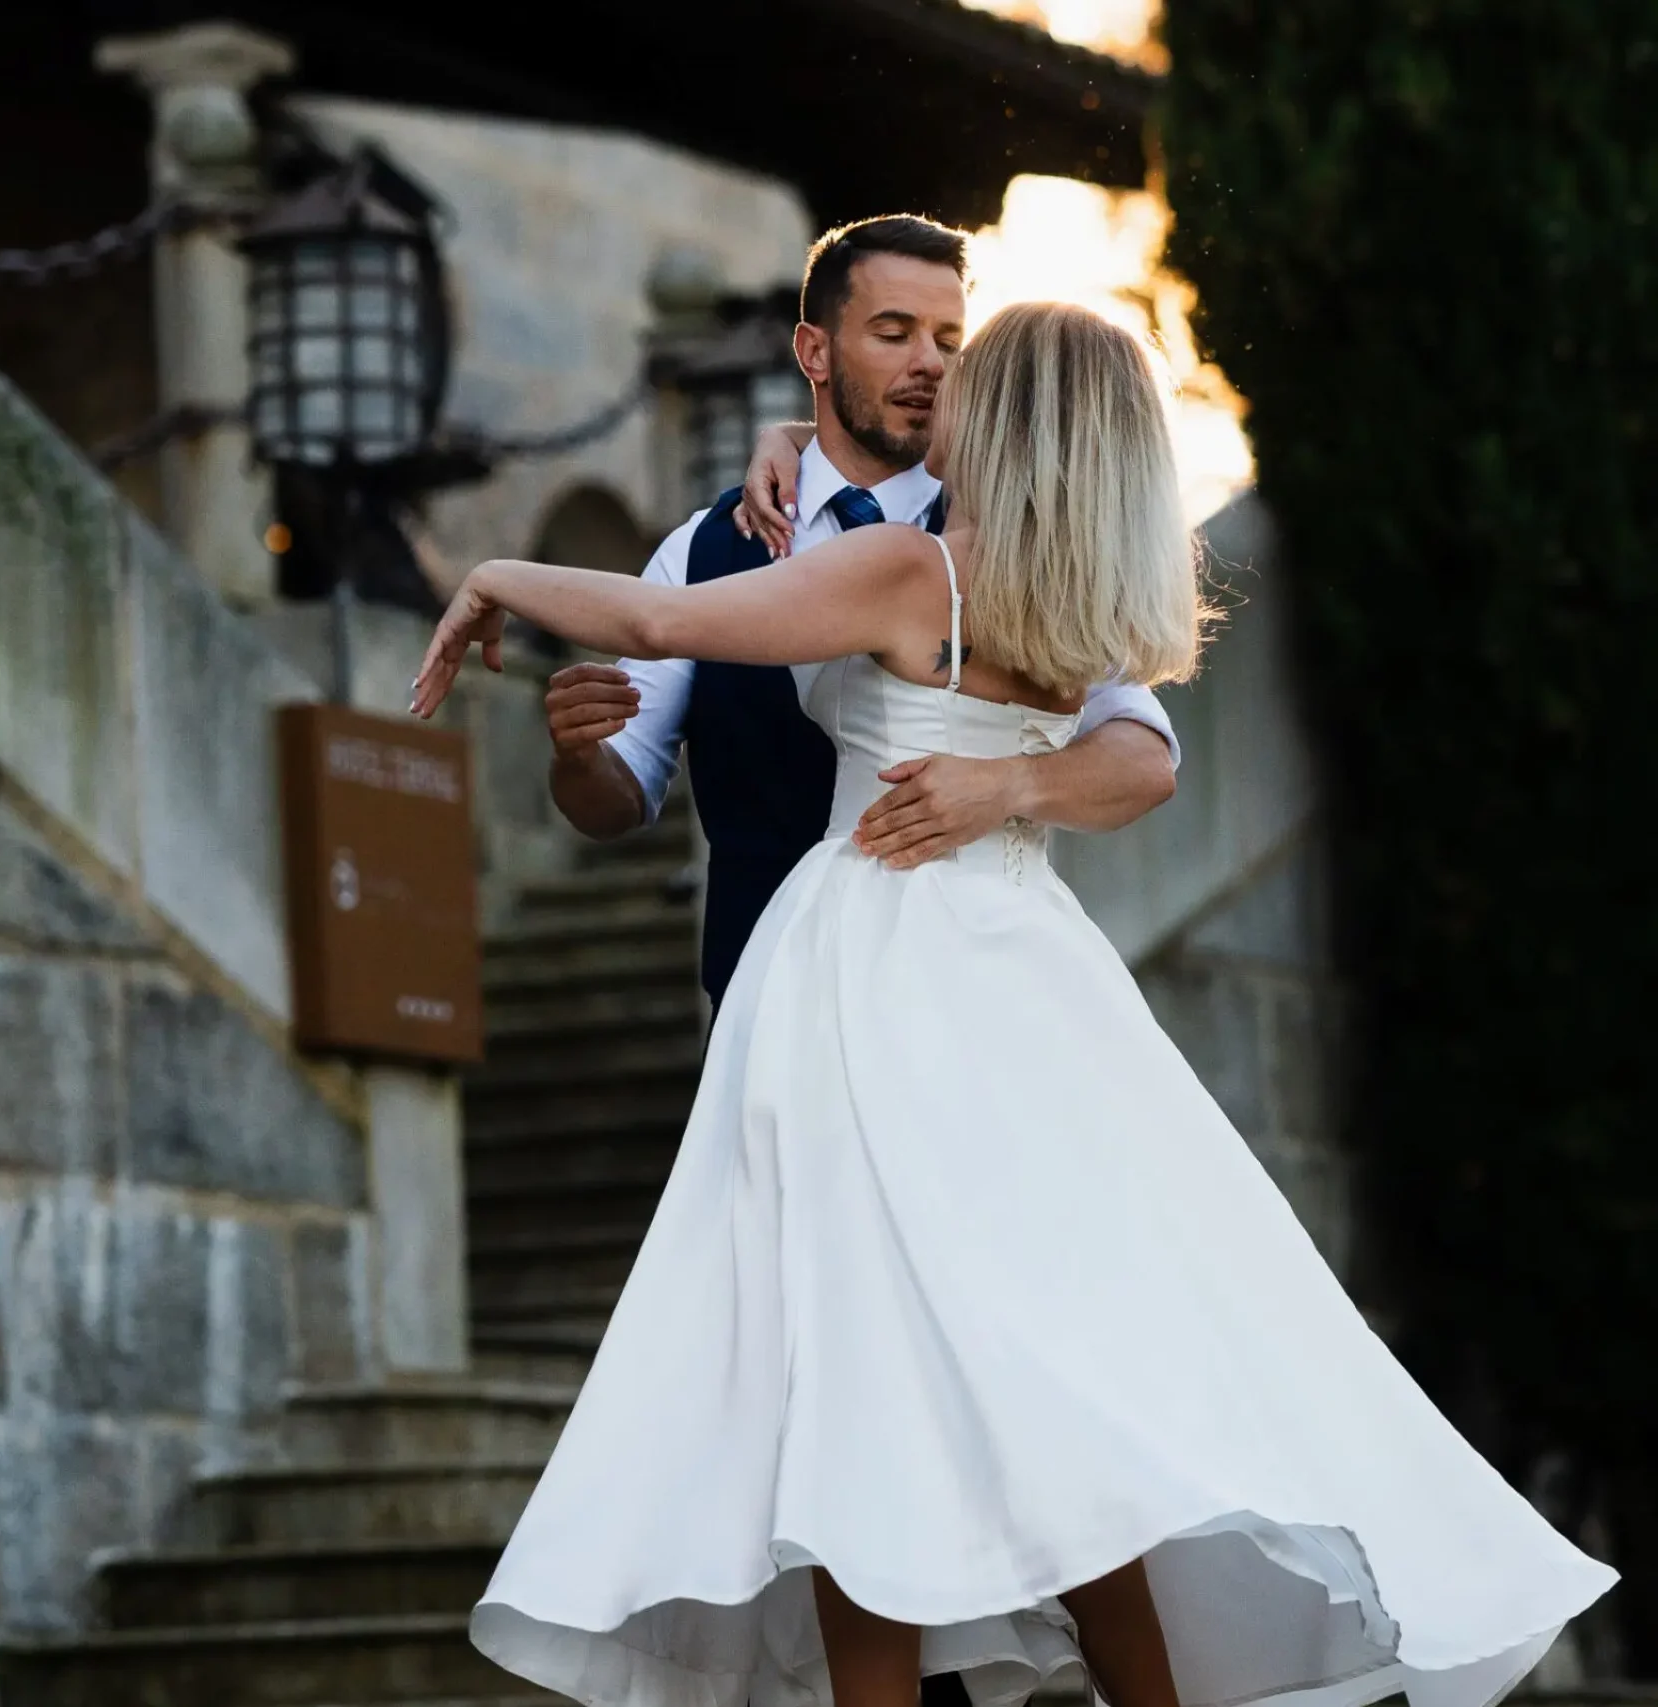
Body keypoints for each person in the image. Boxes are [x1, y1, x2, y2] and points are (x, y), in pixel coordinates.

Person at [411, 300, 1615, 1707]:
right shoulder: (1083, 600)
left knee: (846, 1379)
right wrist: (792, 438)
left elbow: (664, 616)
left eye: (963, 381)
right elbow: (1124, 751)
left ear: (1007, 421)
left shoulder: (911, 572)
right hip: (1028, 983)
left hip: (870, 974)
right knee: (1057, 1407)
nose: (937, 396)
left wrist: (491, 565)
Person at [539, 216, 1180, 1014]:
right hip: (764, 998)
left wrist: (1006, 783)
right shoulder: (699, 552)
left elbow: (1143, 756)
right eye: (892, 333)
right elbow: (619, 795)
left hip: (959, 980)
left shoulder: (1024, 541)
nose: (929, 365)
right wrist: (576, 756)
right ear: (813, 352)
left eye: (950, 339)